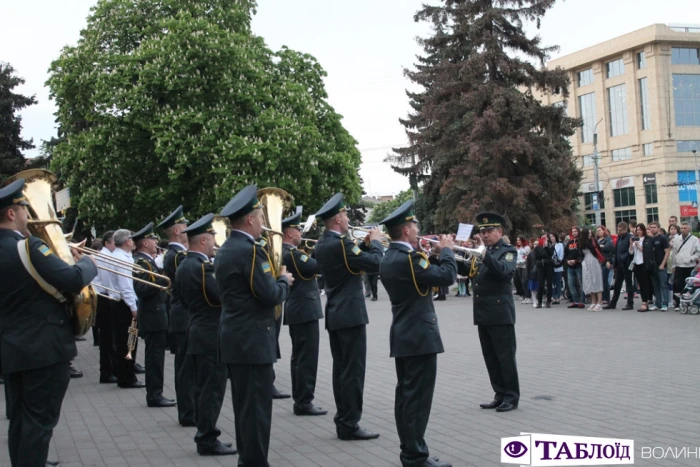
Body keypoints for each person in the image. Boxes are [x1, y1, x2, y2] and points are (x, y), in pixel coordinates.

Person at [0, 178, 98, 467]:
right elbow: (72, 279)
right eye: (23, 207)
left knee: (20, 419)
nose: (27, 213)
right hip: (44, 347)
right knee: (38, 423)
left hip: (11, 348)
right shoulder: (29, 247)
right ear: (10, 213)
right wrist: (86, 262)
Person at [215, 185, 293, 466]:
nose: (263, 223)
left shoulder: (226, 248)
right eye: (261, 218)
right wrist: (284, 280)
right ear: (249, 220)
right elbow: (270, 295)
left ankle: (248, 460)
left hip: (237, 340)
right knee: (257, 412)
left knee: (245, 409)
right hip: (252, 342)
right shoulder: (249, 252)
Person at [379, 200, 457, 467]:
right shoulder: (409, 259)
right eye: (414, 225)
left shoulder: (390, 257)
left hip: (404, 334)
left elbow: (426, 276)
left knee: (406, 396)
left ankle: (412, 450)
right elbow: (446, 277)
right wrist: (446, 250)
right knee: (417, 399)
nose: (417, 228)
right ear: (406, 231)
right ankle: (414, 455)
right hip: (419, 336)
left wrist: (432, 254)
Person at [314, 193, 384, 440]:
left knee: (341, 370)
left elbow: (351, 264)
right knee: (352, 371)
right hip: (350, 315)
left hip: (336, 314)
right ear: (336, 219)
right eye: (344, 215)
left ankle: (344, 419)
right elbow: (375, 263)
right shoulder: (341, 244)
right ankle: (349, 423)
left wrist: (363, 245)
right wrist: (375, 242)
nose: (347, 219)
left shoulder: (323, 243)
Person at [176, 213, 237, 456]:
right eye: (212, 237)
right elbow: (220, 297)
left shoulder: (184, 265)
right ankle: (207, 439)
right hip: (209, 335)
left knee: (203, 389)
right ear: (203, 240)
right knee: (211, 391)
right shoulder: (202, 268)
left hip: (198, 332)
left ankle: (206, 434)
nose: (215, 241)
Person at [468, 212, 520, 413]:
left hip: (500, 313)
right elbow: (470, 272)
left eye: (489, 231)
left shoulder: (508, 251)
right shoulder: (485, 252)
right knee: (490, 357)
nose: (485, 235)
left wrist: (484, 255)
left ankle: (511, 397)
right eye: (482, 231)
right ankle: (499, 394)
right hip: (483, 313)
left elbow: (504, 272)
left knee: (505, 357)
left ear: (500, 231)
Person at [280, 211, 327, 416]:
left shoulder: (288, 252)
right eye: (298, 229)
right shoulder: (293, 254)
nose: (301, 232)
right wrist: (322, 248)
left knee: (300, 356)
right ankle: (304, 401)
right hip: (303, 310)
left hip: (298, 309)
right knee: (306, 358)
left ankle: (301, 399)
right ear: (290, 233)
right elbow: (317, 267)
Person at [159, 206, 196, 426]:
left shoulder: (176, 254)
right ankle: (187, 413)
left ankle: (189, 409)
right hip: (183, 316)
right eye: (184, 226)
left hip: (182, 316)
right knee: (185, 369)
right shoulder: (176, 256)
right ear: (176, 232)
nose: (187, 229)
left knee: (187, 367)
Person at [132, 222, 176, 407]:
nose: (155, 241)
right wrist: (162, 277)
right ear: (144, 243)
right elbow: (141, 289)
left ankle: (156, 393)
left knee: (156, 358)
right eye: (152, 238)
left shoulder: (147, 261)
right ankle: (154, 395)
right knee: (154, 359)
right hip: (152, 316)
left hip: (156, 315)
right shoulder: (141, 262)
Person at [109, 228, 146, 389]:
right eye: (131, 238)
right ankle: (127, 377)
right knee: (129, 341)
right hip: (124, 304)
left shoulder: (117, 255)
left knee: (124, 341)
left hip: (118, 302)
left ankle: (124, 374)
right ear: (126, 242)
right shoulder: (121, 258)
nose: (133, 241)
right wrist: (133, 306)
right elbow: (126, 286)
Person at [92, 230, 118, 384]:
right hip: (105, 297)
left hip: (105, 297)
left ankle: (110, 369)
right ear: (107, 243)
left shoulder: (106, 255)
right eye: (114, 242)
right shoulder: (105, 256)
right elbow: (108, 283)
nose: (117, 245)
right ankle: (107, 372)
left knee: (109, 337)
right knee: (108, 337)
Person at [603, 222, 635, 310]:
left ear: (625, 229)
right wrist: (615, 262)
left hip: (627, 263)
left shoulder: (629, 238)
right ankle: (613, 303)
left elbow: (630, 252)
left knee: (628, 284)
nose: (619, 231)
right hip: (619, 264)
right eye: (618, 229)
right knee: (617, 284)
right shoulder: (620, 237)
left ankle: (630, 303)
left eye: (620, 230)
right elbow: (616, 250)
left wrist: (623, 258)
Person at [671, 221, 700, 311]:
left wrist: (691, 258)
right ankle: (677, 303)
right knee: (677, 284)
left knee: (688, 285)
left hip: (689, 265)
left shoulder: (694, 239)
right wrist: (674, 265)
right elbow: (674, 253)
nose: (683, 230)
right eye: (682, 228)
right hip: (679, 265)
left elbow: (698, 252)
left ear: (689, 229)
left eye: (685, 228)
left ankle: (687, 302)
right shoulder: (676, 240)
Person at [647, 221, 671, 311]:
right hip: (652, 266)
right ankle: (658, 303)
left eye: (654, 227)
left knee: (663, 285)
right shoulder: (649, 239)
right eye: (651, 227)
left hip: (661, 266)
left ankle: (665, 304)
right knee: (655, 285)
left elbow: (667, 252)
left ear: (658, 228)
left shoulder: (662, 238)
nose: (652, 229)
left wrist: (662, 264)